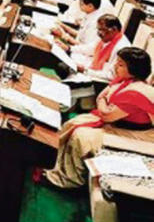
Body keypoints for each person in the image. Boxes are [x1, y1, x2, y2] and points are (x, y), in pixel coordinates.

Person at [37, 47, 154, 189]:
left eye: (120, 64)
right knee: (74, 122)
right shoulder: (123, 80)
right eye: (117, 62)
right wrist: (104, 103)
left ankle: (70, 179)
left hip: (138, 134)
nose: (115, 66)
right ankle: (53, 162)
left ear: (133, 70)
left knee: (81, 136)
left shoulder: (136, 92)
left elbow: (107, 115)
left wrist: (104, 103)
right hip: (119, 123)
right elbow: (100, 98)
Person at [64, 14, 131, 81]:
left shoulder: (120, 48)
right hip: (92, 71)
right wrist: (69, 48)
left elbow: (111, 76)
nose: (99, 33)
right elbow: (90, 49)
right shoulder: (107, 37)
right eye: (98, 29)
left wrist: (85, 71)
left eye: (102, 30)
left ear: (114, 29)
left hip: (100, 80)